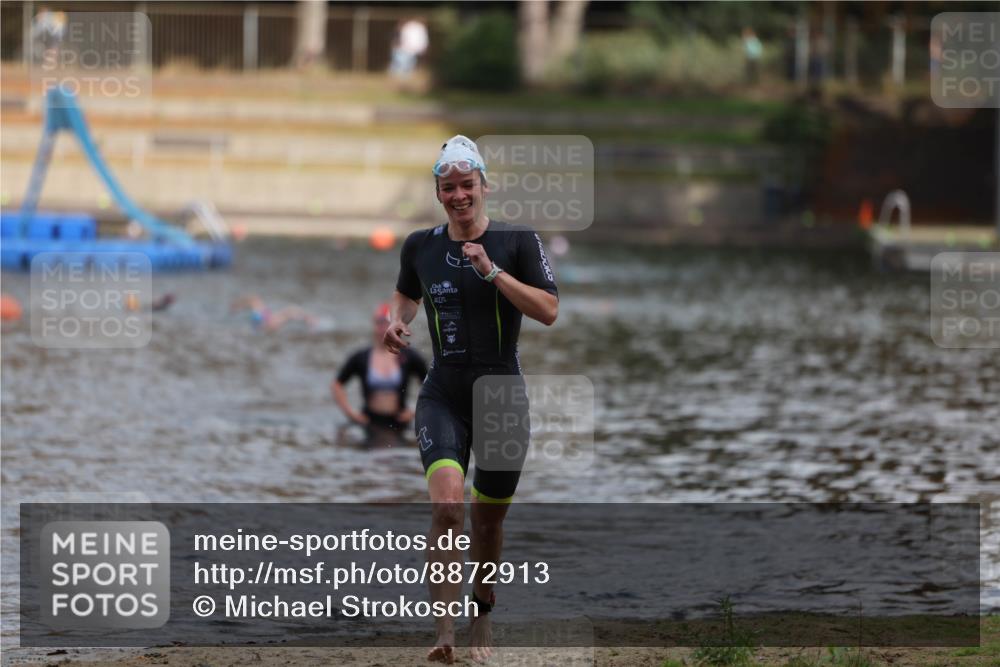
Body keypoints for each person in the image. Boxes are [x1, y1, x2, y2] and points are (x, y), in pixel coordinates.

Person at [384, 135, 558, 662]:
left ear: (484, 185)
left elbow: (549, 309)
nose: (459, 195)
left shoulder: (517, 241)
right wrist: (396, 322)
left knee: (488, 520)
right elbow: (406, 295)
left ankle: (481, 612)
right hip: (444, 391)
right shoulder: (420, 245)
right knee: (447, 508)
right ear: (438, 193)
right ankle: (443, 632)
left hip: (503, 393)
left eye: (467, 185)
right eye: (448, 187)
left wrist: (493, 272)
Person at [332, 303, 427, 442]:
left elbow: (430, 384)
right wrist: (351, 414)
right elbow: (337, 385)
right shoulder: (362, 357)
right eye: (379, 323)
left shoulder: (408, 357)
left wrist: (415, 412)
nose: (383, 329)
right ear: (374, 326)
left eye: (387, 324)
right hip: (369, 421)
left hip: (399, 422)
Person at [230, 295, 316, 332]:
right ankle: (308, 319)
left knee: (289, 312)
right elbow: (250, 301)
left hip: (266, 321)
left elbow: (250, 301)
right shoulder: (258, 308)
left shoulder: (258, 308)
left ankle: (308, 319)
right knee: (289, 312)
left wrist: (238, 306)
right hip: (267, 321)